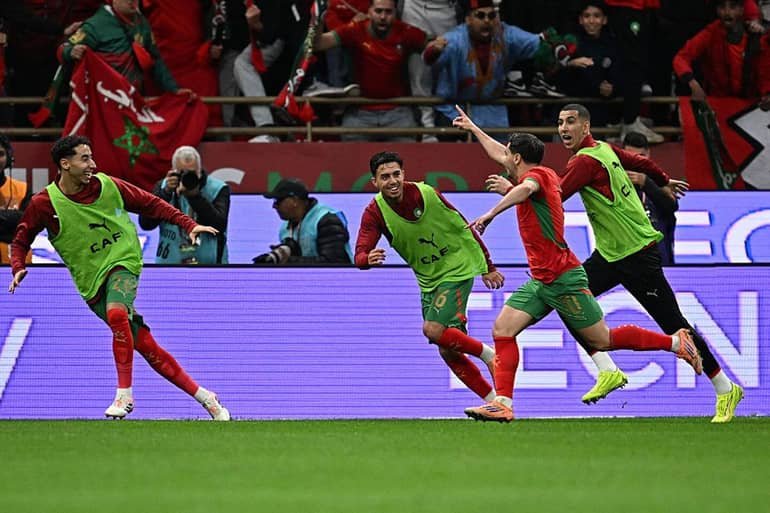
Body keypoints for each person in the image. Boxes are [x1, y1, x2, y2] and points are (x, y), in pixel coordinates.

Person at [463, 103, 743, 423]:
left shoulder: (584, 163)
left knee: (673, 322)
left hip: (636, 254)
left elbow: (553, 194)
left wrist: (508, 190)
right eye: (560, 123)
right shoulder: (605, 149)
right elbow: (638, 160)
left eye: (570, 122)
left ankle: (724, 387)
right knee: (567, 305)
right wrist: (663, 178)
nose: (564, 128)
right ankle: (606, 369)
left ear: (586, 126)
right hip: (610, 255)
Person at [7, 135, 230, 421]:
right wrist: (17, 266)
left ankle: (124, 395)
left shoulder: (108, 185)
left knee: (116, 314)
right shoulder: (45, 203)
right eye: (84, 159)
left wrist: (188, 223)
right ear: (65, 164)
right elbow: (21, 239)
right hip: (90, 281)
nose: (92, 164)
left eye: (91, 157)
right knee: (147, 346)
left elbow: (153, 205)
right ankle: (206, 398)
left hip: (124, 259)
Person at [355, 150, 505, 405]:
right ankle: (496, 402)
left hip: (457, 267)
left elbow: (461, 227)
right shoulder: (374, 212)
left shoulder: (427, 195)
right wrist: (365, 260)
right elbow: (359, 252)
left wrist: (488, 265)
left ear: (403, 174)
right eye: (384, 177)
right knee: (447, 349)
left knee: (433, 330)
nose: (392, 181)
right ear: (374, 182)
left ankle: (490, 356)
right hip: (428, 280)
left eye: (396, 174)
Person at [313, 0, 428, 141]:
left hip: (398, 113)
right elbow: (318, 44)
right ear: (369, 12)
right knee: (347, 159)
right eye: (378, 11)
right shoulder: (355, 29)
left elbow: (430, 45)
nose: (383, 17)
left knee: (410, 158)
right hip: (359, 114)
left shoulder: (406, 32)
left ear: (396, 13)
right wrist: (318, 18)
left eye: (388, 12)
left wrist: (437, 47)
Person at [59, 0, 193, 98]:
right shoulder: (96, 25)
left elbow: (156, 60)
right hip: (104, 99)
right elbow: (63, 48)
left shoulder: (142, 23)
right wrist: (71, 52)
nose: (132, 1)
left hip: (134, 98)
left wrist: (174, 89)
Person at [139, 146, 230, 264]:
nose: (187, 178)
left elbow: (219, 226)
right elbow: (146, 224)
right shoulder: (163, 187)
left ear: (200, 170)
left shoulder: (217, 189)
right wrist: (165, 194)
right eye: (182, 173)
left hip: (211, 266)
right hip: (168, 266)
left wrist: (195, 197)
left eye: (192, 173)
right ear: (174, 171)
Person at [673, 0, 770, 109]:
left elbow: (765, 72)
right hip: (718, 102)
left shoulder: (757, 38)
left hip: (750, 105)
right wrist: (692, 83)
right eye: (722, 7)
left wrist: (767, 94)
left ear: (742, 10)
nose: (727, 12)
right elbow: (681, 58)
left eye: (733, 7)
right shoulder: (710, 34)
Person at [604, 0, 665, 144]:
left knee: (626, 61)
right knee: (633, 63)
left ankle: (622, 120)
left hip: (633, 8)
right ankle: (630, 123)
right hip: (630, 7)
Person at [555, 1, 623, 127]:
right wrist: (570, 64)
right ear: (580, 20)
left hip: (601, 114)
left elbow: (619, 75)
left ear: (604, 20)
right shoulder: (570, 44)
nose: (591, 21)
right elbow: (558, 78)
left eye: (596, 16)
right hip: (572, 114)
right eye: (587, 16)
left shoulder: (613, 45)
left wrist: (612, 88)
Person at [254, 178, 353, 264]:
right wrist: (278, 255)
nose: (274, 206)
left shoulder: (326, 219)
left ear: (294, 201)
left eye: (278, 201)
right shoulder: (285, 228)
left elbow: (335, 263)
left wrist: (286, 261)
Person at [622, 131, 678, 265]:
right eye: (631, 157)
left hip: (660, 259)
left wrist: (646, 183)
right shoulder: (614, 182)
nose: (636, 162)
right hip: (628, 258)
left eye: (641, 157)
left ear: (648, 154)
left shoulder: (659, 179)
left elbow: (672, 207)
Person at [0, 135, 31, 264]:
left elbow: (28, 226)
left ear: (8, 159)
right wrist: (12, 218)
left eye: (0, 154)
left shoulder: (22, 189)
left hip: (19, 269)